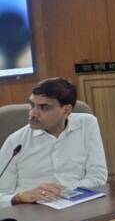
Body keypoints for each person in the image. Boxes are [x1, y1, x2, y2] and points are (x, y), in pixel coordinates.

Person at [0, 78, 107, 206]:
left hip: (78, 203)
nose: (33, 113)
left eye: (44, 107)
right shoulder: (16, 141)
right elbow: (1, 194)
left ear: (66, 111)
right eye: (32, 105)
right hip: (31, 209)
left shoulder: (86, 124)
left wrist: (63, 191)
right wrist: (20, 197)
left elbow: (98, 177)